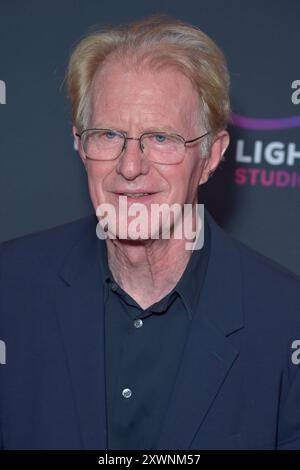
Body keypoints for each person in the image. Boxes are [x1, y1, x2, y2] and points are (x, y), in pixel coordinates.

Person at [1, 16, 300, 450]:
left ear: (212, 155)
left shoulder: (286, 320)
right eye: (107, 134)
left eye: (161, 138)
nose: (130, 166)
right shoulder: (10, 289)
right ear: (80, 144)